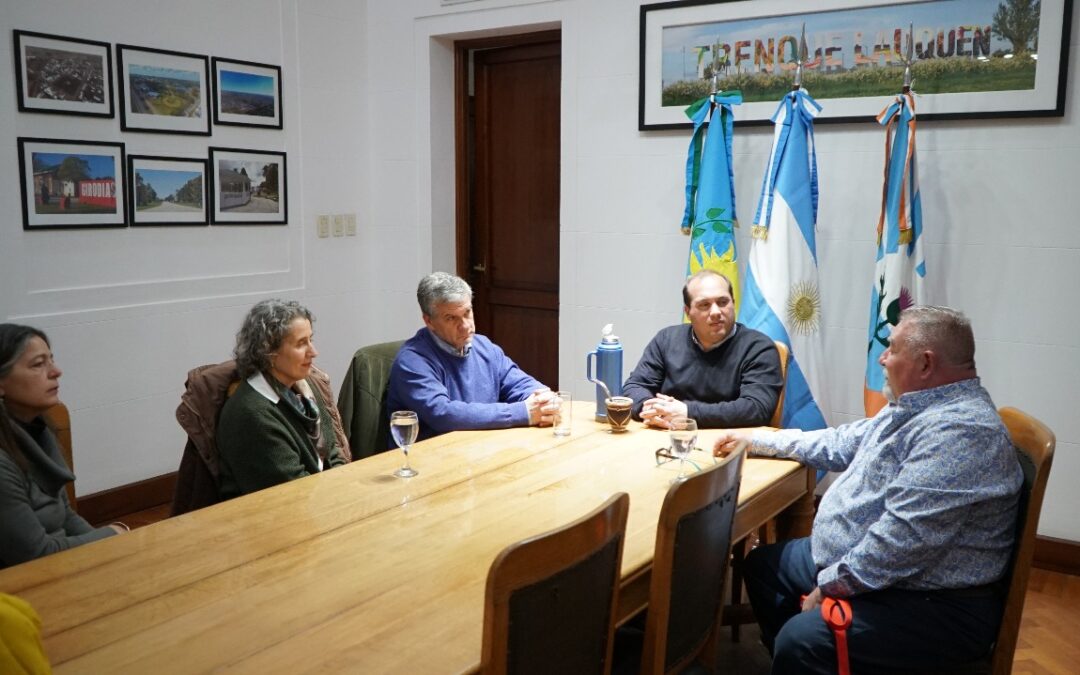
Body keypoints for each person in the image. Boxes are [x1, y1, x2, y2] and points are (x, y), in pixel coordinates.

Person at [712, 306, 1023, 674]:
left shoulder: (961, 433)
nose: (882, 358)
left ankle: (804, 655)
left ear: (925, 364)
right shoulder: (919, 405)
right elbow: (840, 443)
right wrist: (757, 439)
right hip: (882, 570)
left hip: (931, 600)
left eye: (892, 349)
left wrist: (831, 586)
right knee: (766, 568)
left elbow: (902, 543)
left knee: (802, 639)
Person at [0, 324, 124, 569]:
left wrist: (109, 550)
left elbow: (65, 516)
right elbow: (36, 556)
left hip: (59, 568)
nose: (56, 371)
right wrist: (114, 534)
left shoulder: (39, 430)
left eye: (51, 360)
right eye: (38, 364)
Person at [387, 272, 555, 442]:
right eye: (451, 318)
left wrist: (544, 401)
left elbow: (520, 383)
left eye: (467, 312)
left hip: (478, 449)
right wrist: (523, 412)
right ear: (429, 321)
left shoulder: (484, 346)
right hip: (430, 459)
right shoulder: (412, 361)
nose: (465, 326)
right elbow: (444, 414)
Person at [216, 299, 348, 498]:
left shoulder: (305, 386)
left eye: (311, 340)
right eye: (301, 343)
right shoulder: (252, 414)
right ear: (269, 351)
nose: (314, 352)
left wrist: (344, 488)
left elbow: (332, 453)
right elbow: (293, 491)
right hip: (272, 517)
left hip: (318, 499)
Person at [622, 270, 782, 429]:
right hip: (668, 435)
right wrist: (651, 410)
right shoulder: (666, 339)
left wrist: (687, 413)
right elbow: (635, 386)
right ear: (688, 312)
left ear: (733, 303)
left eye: (723, 302)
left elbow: (757, 408)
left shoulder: (758, 348)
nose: (716, 312)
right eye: (704, 305)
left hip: (727, 443)